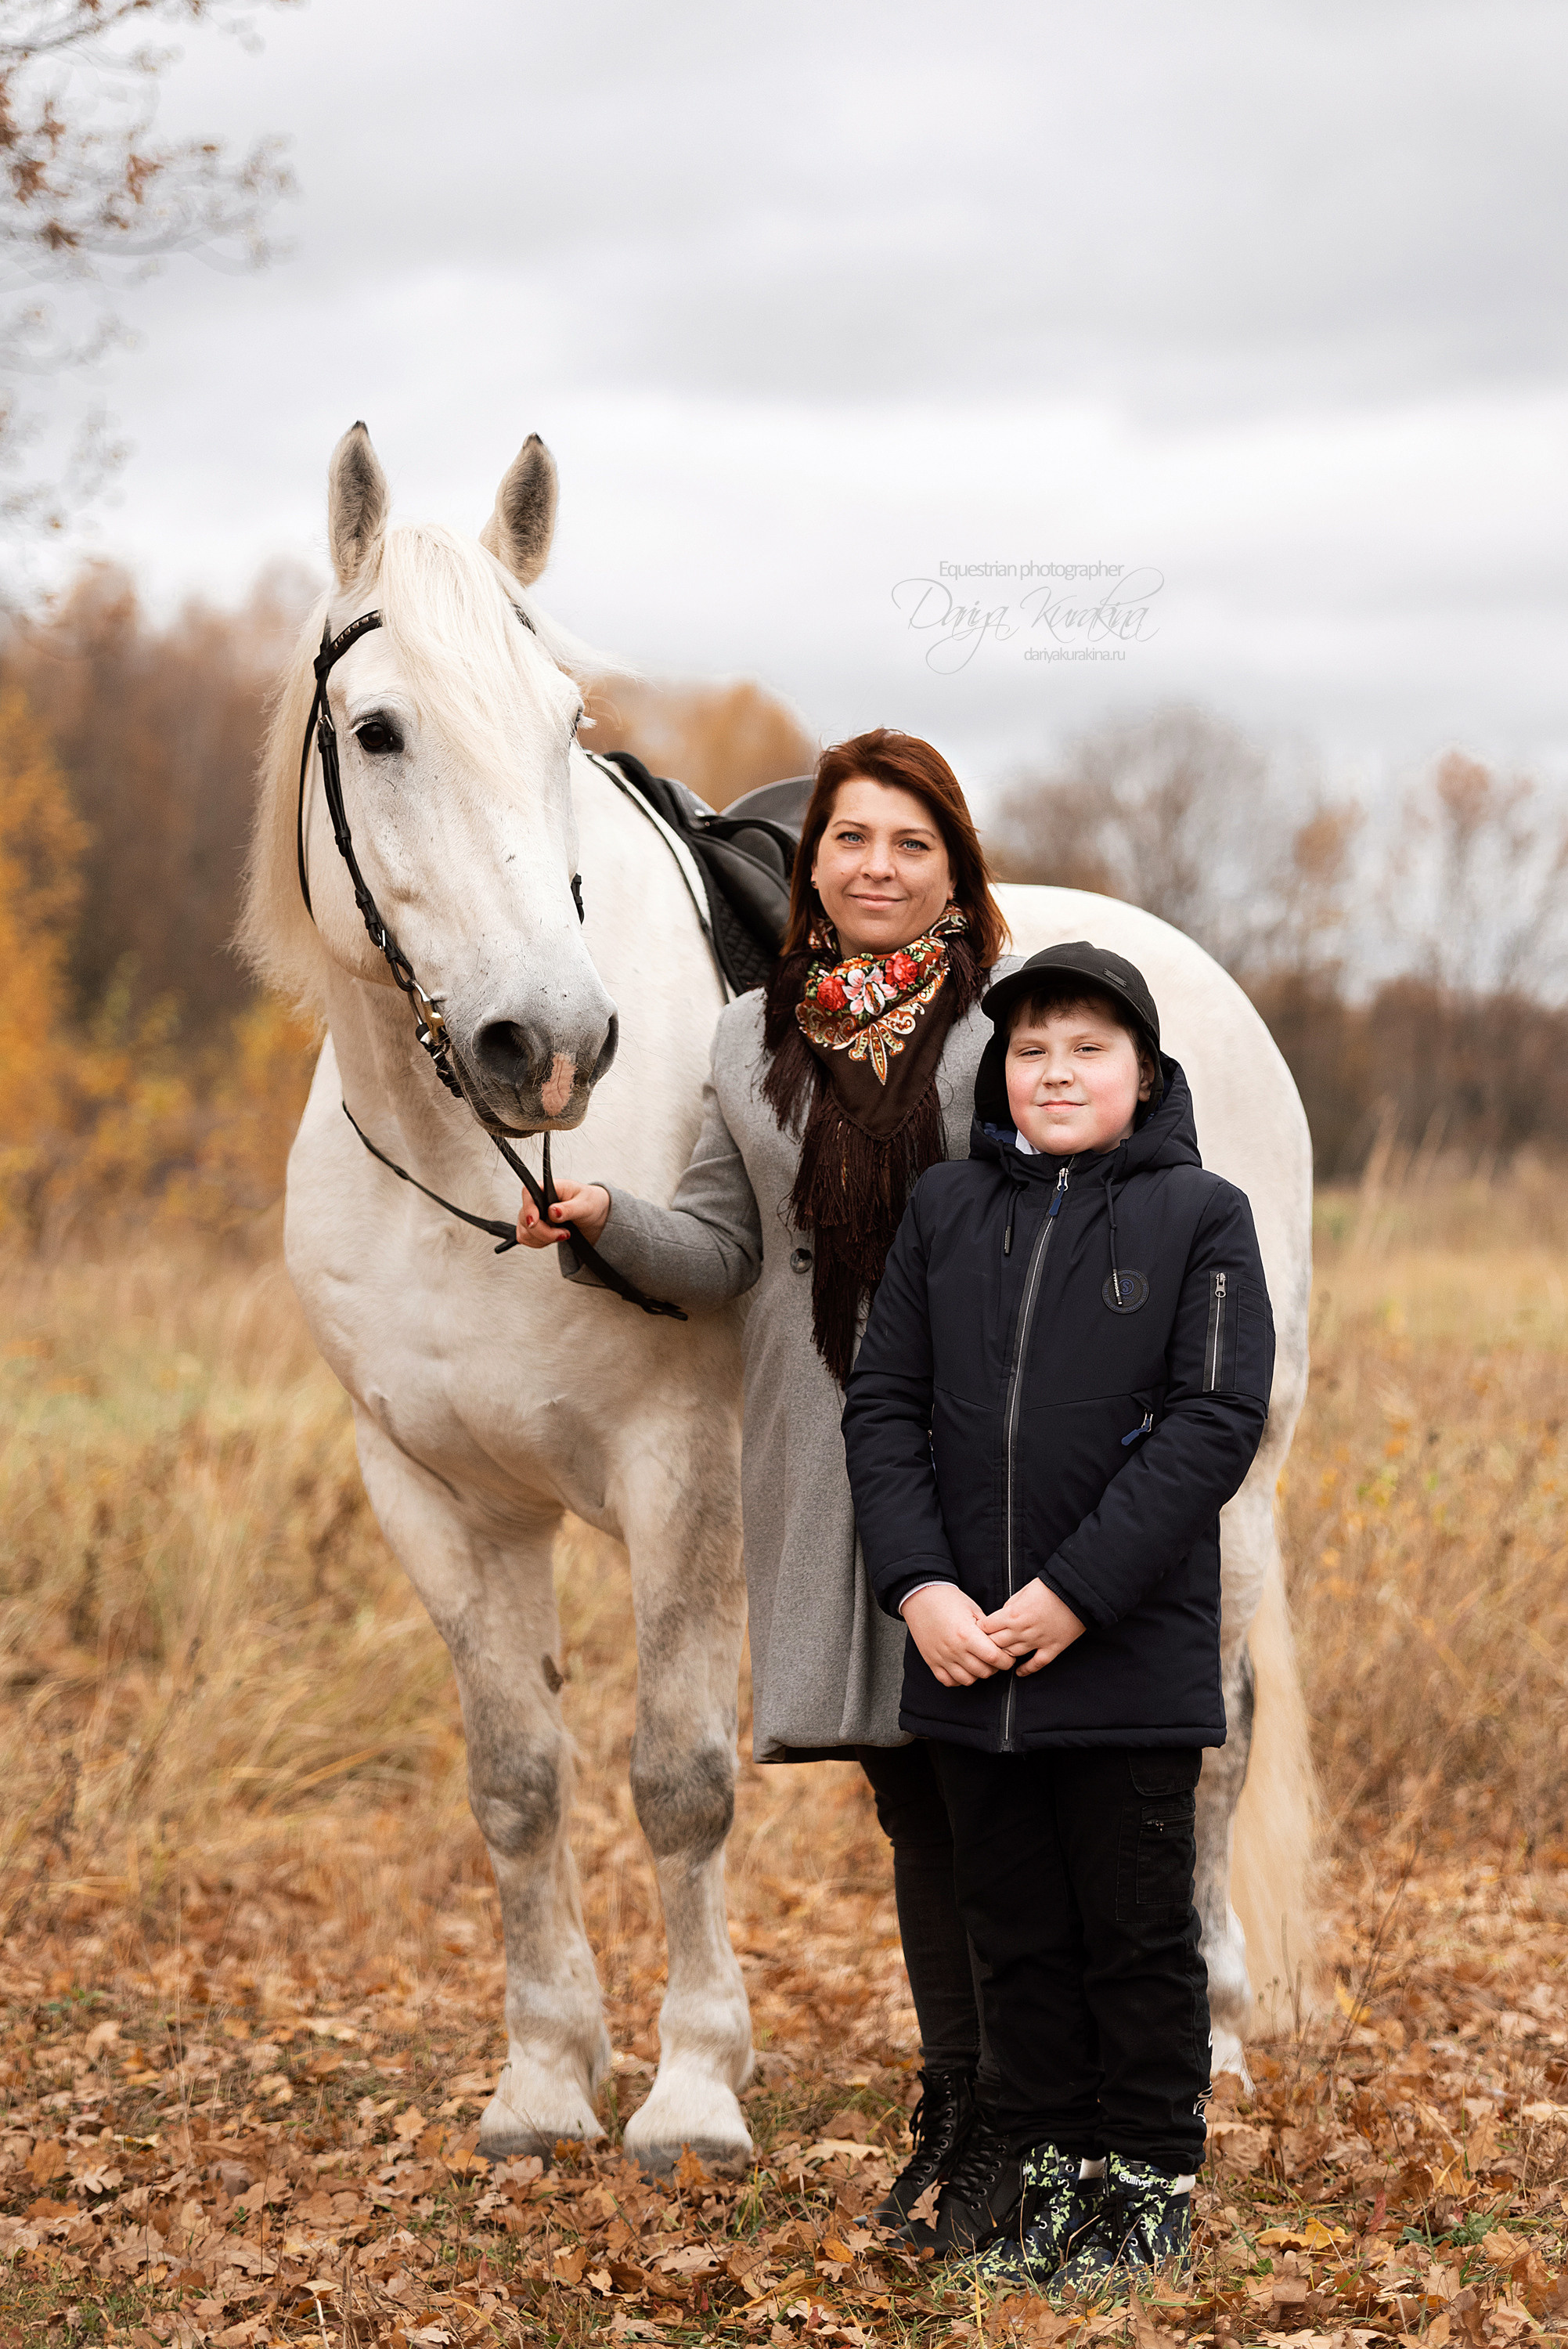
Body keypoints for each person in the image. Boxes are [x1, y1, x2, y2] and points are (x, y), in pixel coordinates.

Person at [514, 731, 1022, 2248]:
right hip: (835, 1453)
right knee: (914, 1801)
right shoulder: (751, 1042)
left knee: (1002, 1796)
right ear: (812, 870)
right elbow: (727, 1255)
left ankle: (1027, 2128)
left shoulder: (1014, 1026)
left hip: (995, 1448)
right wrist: (612, 1217)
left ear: (954, 867)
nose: (873, 866)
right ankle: (955, 2116)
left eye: (909, 843)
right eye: (849, 841)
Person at [840, 944, 1276, 2297]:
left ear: (1144, 1075)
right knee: (1013, 1932)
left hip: (1124, 1657)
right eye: (1031, 1050)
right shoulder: (947, 1210)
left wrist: (1073, 1597)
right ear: (1000, 1075)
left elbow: (1213, 1425)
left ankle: (1144, 2178)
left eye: (1089, 1048)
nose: (1058, 1072)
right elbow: (884, 1409)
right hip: (969, 1657)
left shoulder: (1203, 1215)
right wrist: (921, 1590)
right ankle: (1040, 2166)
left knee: (1136, 1938)